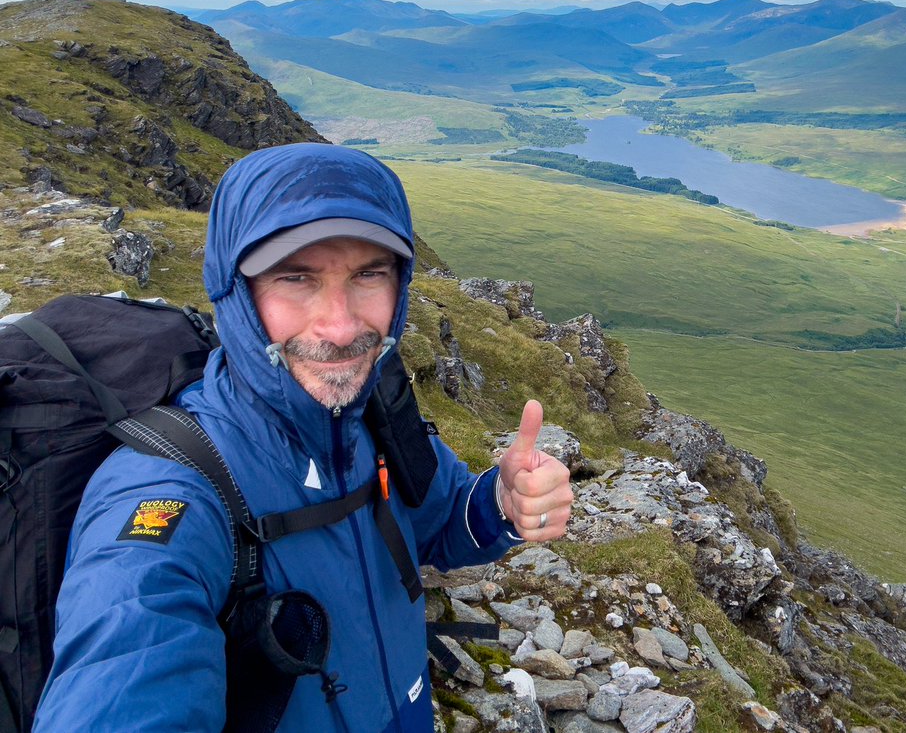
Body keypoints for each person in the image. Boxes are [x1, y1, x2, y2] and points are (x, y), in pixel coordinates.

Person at [34, 143, 574, 731]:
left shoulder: (372, 413)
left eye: (369, 274)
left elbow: (441, 522)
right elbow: (127, 665)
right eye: (296, 278)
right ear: (234, 293)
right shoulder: (168, 491)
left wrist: (502, 500)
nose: (340, 327)